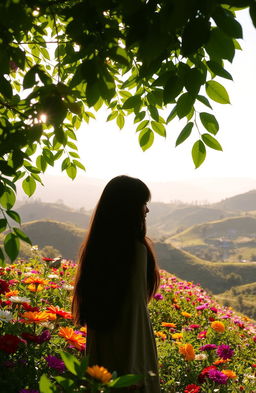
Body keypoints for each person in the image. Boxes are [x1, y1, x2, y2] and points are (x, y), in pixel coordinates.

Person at [72, 175, 161, 393]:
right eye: (143, 204)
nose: (146, 210)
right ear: (128, 209)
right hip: (132, 354)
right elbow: (134, 316)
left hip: (101, 355)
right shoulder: (136, 251)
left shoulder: (96, 250)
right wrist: (137, 371)